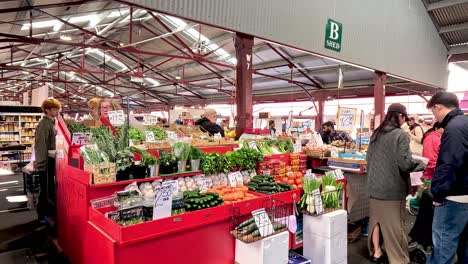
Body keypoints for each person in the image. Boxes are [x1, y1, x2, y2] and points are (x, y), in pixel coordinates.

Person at [366, 103, 426, 264]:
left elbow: (369, 159)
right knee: (395, 226)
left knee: (376, 221)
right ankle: (398, 259)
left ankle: (376, 252)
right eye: (404, 118)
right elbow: (405, 164)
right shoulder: (400, 134)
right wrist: (422, 164)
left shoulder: (376, 133)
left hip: (374, 187)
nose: (404, 121)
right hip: (392, 189)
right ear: (400, 116)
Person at [426, 91, 468, 264]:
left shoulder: (453, 128)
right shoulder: (465, 122)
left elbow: (449, 163)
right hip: (465, 193)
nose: (434, 117)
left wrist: (438, 193)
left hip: (453, 197)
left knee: (444, 244)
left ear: (438, 106)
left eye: (433, 112)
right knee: (463, 245)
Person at [34, 97, 61, 222]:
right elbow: (40, 146)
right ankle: (41, 215)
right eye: (54, 109)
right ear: (47, 110)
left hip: (51, 161)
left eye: (57, 109)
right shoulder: (43, 124)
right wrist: (41, 165)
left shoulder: (51, 122)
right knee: (44, 190)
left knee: (49, 189)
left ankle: (48, 213)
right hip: (45, 163)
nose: (57, 111)